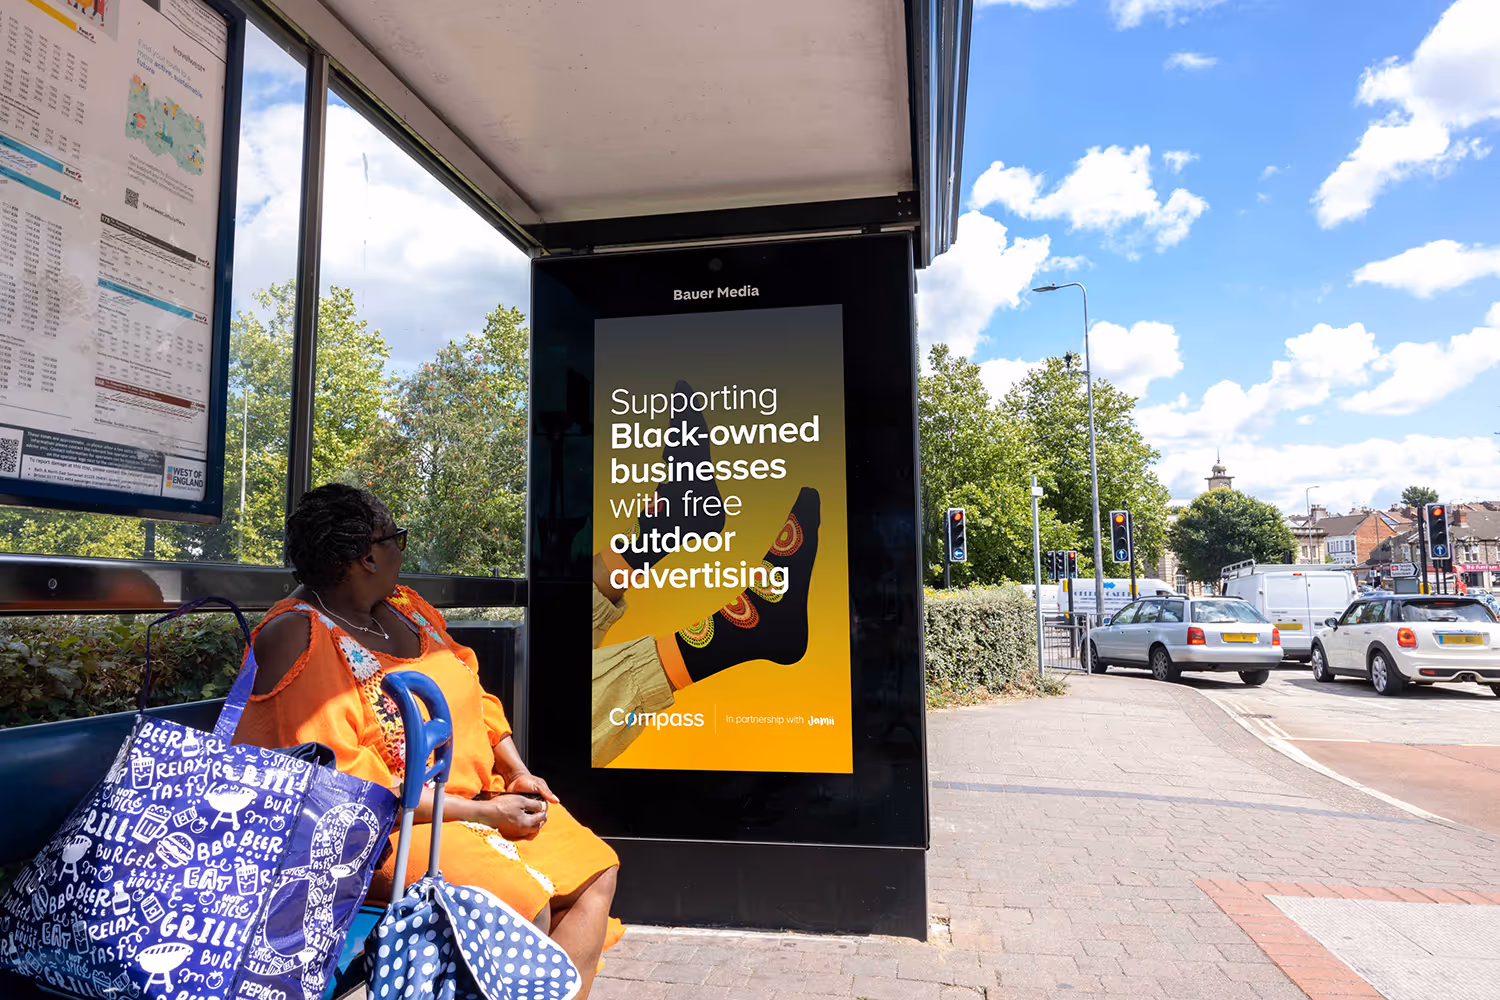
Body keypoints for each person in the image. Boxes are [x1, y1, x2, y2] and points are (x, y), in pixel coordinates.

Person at [235, 484, 622, 997]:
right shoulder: (298, 636)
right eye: (395, 538)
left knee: (593, 869)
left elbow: (474, 695)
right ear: (367, 557)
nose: (403, 549)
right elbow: (347, 794)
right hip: (382, 834)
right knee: (522, 903)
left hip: (474, 801)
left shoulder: (406, 608)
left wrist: (516, 771)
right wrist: (488, 815)